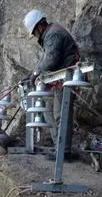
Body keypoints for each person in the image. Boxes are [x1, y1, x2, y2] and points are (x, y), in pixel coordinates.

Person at [23, 9, 80, 147]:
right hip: (57, 79)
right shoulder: (49, 34)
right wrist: (31, 75)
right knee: (48, 111)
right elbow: (46, 60)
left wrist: (36, 74)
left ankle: (63, 150)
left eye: (35, 32)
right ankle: (58, 146)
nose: (35, 36)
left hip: (66, 78)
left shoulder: (53, 34)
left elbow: (51, 59)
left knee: (61, 114)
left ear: (40, 26)